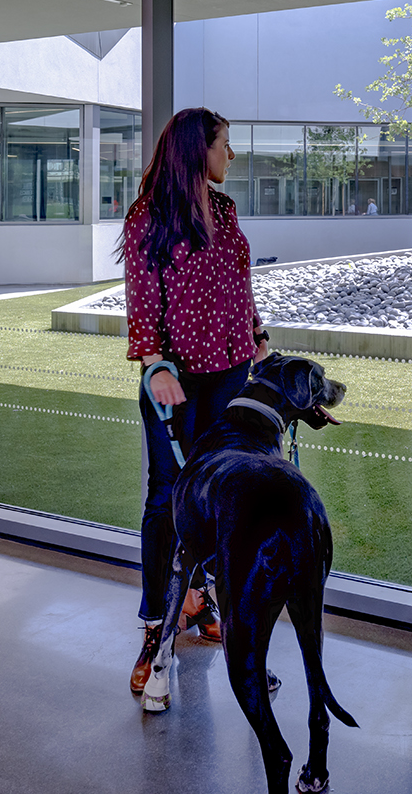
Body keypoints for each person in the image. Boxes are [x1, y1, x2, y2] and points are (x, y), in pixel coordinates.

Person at [123, 107, 270, 697]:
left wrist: (256, 334)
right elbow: (141, 299)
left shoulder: (227, 210)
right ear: (196, 151)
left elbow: (238, 284)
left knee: (217, 500)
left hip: (230, 375)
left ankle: (198, 602)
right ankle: (155, 627)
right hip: (175, 382)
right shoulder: (148, 218)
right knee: (166, 501)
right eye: (224, 145)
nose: (230, 156)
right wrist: (153, 362)